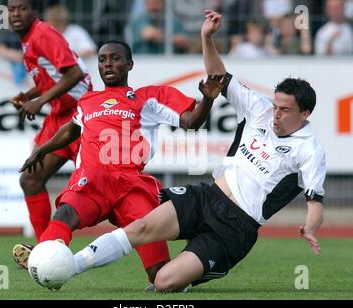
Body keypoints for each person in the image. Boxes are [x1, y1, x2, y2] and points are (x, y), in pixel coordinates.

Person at [56, 10, 326, 292]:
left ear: (304, 113)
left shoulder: (309, 150)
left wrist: (310, 227)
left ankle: (197, 269)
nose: (276, 115)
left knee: (163, 283)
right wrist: (206, 37)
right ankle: (67, 268)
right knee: (138, 228)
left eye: (285, 110)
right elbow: (218, 76)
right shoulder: (259, 109)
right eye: (276, 106)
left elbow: (315, 201)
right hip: (208, 196)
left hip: (236, 226)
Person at [16, 39, 223, 289]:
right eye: (102, 60)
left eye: (115, 58)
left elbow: (190, 122)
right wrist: (43, 149)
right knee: (65, 213)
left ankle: (203, 260)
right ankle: (44, 258)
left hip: (131, 186)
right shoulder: (88, 101)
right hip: (93, 180)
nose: (108, 64)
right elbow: (71, 130)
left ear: (129, 64)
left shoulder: (147, 97)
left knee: (162, 279)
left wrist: (208, 100)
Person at [7, 0, 92, 248]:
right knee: (30, 179)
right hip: (59, 115)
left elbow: (75, 73)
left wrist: (40, 100)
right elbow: (53, 76)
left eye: (22, 8)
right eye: (11, 9)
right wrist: (30, 96)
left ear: (34, 11)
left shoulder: (43, 34)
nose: (16, 13)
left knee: (101, 187)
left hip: (79, 115)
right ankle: (46, 249)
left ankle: (150, 238)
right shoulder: (29, 38)